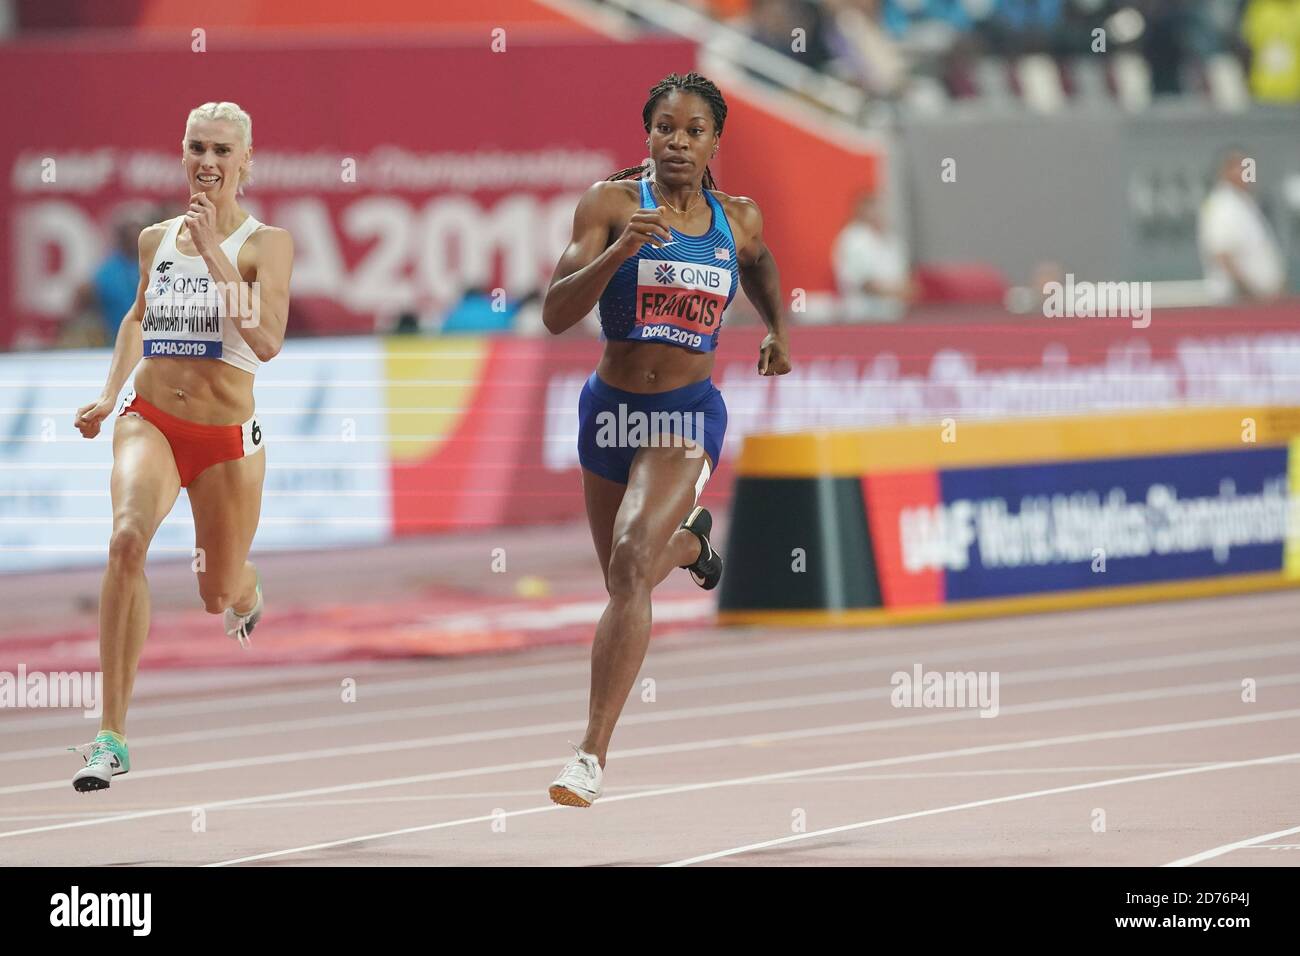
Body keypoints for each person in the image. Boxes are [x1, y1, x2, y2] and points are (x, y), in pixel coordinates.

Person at [541, 71, 792, 808]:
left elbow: (761, 265)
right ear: (646, 133)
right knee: (627, 579)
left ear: (715, 141)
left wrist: (777, 328)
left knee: (627, 566)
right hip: (610, 414)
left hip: (685, 414)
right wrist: (618, 253)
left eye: (693, 131)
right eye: (664, 129)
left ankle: (589, 754)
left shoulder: (736, 218)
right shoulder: (611, 204)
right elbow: (556, 313)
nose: (677, 142)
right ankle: (695, 546)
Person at [69, 101, 293, 792]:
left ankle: (246, 586)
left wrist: (218, 255)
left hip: (225, 441)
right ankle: (110, 736)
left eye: (224, 151)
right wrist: (111, 394)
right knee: (126, 541)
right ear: (183, 153)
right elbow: (138, 315)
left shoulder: (266, 243)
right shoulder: (155, 239)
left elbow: (267, 341)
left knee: (215, 591)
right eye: (198, 147)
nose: (208, 162)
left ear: (245, 163)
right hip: (153, 420)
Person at [1197, 147, 1285, 303]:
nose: (1249, 174)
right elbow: (1221, 255)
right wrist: (1250, 292)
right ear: (1226, 171)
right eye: (1243, 168)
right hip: (1239, 302)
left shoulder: (1243, 202)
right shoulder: (1222, 205)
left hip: (1259, 300)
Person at [832, 190, 914, 321]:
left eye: (881, 208)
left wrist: (906, 289)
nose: (878, 212)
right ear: (860, 210)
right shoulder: (853, 239)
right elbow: (863, 283)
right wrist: (896, 292)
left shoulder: (893, 241)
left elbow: (907, 280)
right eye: (872, 208)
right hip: (862, 316)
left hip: (894, 315)